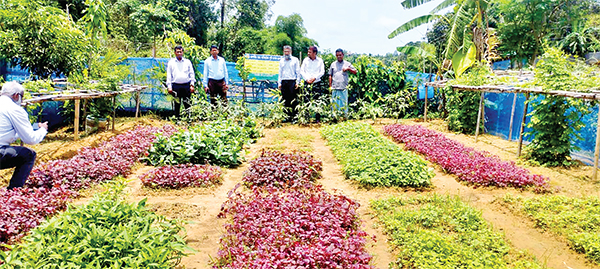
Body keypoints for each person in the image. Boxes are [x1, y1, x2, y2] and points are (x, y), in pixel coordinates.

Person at [0, 81, 48, 189]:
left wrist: (35, 126)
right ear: (16, 95)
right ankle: (13, 192)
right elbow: (30, 139)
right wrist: (43, 130)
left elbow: (7, 132)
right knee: (28, 155)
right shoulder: (14, 109)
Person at [166, 45, 196, 118]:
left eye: (180, 51)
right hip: (176, 85)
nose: (179, 53)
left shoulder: (187, 62)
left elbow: (192, 73)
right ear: (175, 53)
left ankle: (188, 118)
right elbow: (169, 75)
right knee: (177, 103)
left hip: (186, 85)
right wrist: (169, 87)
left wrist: (192, 85)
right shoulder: (171, 62)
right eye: (177, 52)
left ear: (183, 52)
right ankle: (177, 119)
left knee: (187, 103)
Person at [328, 48, 357, 118]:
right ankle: (335, 117)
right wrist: (330, 86)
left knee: (343, 103)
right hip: (335, 87)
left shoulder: (347, 64)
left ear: (343, 55)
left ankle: (344, 117)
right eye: (337, 55)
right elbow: (330, 75)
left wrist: (348, 69)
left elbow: (355, 71)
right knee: (335, 103)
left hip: (344, 87)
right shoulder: (333, 64)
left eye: (340, 55)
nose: (339, 57)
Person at [278, 45, 301, 122]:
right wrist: (279, 83)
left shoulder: (295, 60)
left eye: (288, 51)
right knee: (285, 100)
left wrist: (297, 82)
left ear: (291, 52)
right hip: (284, 81)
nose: (286, 53)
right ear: (283, 52)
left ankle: (294, 117)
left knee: (293, 100)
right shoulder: (281, 61)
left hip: (292, 81)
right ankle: (286, 117)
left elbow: (298, 72)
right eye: (285, 51)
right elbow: (280, 73)